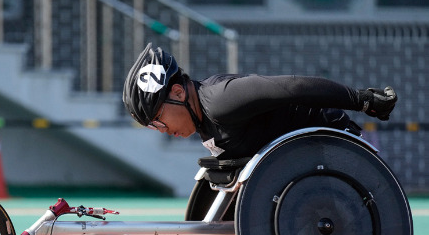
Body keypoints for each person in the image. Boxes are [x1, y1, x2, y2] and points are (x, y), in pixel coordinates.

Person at [122, 43, 398, 159]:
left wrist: (362, 100)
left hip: (331, 144)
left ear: (178, 93)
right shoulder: (203, 119)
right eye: (153, 126)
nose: (162, 129)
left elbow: (294, 86)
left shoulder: (220, 100)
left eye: (158, 118)